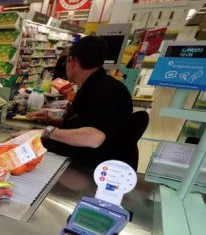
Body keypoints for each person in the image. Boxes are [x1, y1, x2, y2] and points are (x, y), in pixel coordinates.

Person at [14, 36, 137, 169]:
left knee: (18, 148)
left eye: (66, 62)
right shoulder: (97, 86)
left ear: (73, 61)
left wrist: (45, 132)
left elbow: (94, 138)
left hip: (93, 167)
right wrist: (52, 120)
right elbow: (85, 124)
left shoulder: (105, 92)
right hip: (90, 158)